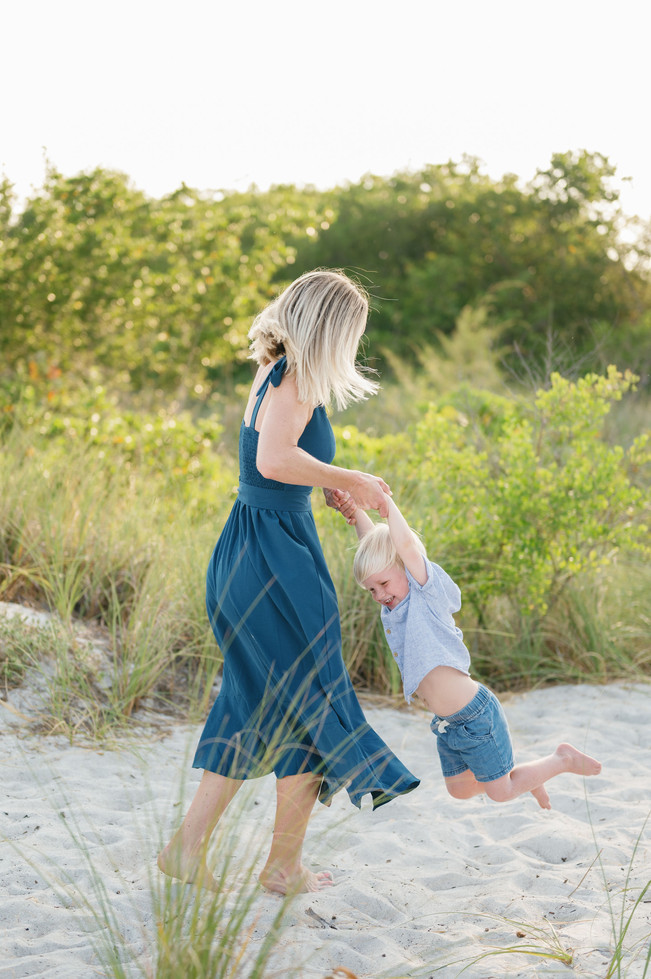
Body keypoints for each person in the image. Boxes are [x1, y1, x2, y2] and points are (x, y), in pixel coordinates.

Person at [158, 269, 419, 896]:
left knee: (259, 704)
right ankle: (268, 864)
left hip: (251, 544)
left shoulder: (275, 372)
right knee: (309, 702)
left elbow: (273, 462)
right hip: (275, 556)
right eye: (351, 332)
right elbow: (275, 460)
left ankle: (230, 857)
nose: (352, 345)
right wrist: (352, 478)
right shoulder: (297, 377)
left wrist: (323, 480)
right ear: (330, 328)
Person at [335, 492, 601, 809]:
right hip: (448, 724)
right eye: (371, 590)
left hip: (476, 716)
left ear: (404, 568)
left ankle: (562, 759)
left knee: (499, 791)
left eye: (383, 584)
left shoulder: (425, 592)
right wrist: (355, 514)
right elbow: (376, 549)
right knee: (460, 790)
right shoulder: (396, 609)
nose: (379, 594)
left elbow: (402, 546)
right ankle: (528, 778)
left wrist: (386, 506)